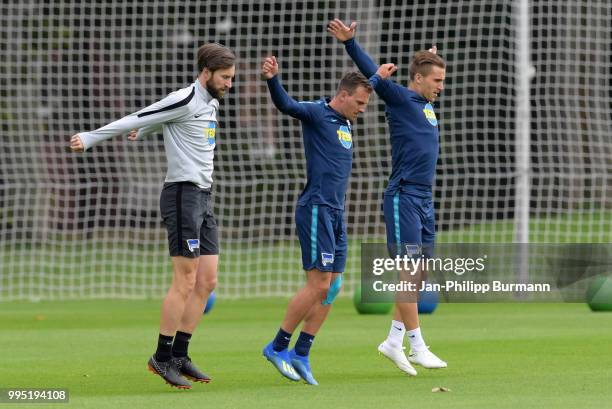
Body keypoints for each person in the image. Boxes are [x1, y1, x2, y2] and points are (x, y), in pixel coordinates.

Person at [69, 42, 236, 389]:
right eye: (225, 77)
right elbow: (141, 115)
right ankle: (160, 357)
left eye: (231, 78)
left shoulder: (211, 103)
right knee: (185, 280)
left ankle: (180, 354)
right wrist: (90, 138)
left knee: (207, 281)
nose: (229, 84)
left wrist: (145, 132)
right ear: (206, 73)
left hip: (203, 198)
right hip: (181, 196)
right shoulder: (186, 97)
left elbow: (168, 125)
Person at [260, 55, 396, 385]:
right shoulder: (316, 113)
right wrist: (272, 79)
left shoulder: (348, 116)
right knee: (318, 283)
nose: (363, 109)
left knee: (333, 286)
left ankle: (302, 353)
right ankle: (277, 346)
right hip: (316, 208)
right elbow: (286, 105)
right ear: (343, 95)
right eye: (360, 103)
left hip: (336, 212)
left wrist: (376, 76)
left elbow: (367, 88)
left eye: (366, 103)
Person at [328, 19, 448, 376]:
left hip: (425, 199)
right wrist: (351, 43)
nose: (441, 86)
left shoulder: (426, 103)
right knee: (408, 274)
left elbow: (423, 70)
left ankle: (393, 341)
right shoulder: (400, 97)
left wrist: (429, 58)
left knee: (420, 274)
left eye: (442, 80)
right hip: (404, 197)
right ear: (419, 79)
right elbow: (370, 71)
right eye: (436, 80)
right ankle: (417, 345)